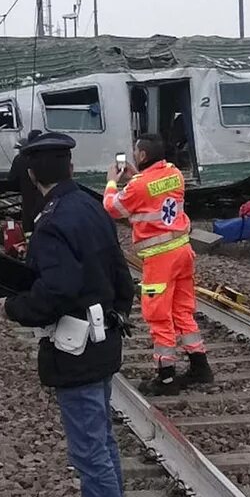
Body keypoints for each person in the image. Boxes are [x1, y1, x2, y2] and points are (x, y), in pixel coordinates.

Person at [0, 132, 132, 497]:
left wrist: (13, 307)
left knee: (90, 453)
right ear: (68, 167)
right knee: (102, 444)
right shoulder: (90, 206)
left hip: (76, 348)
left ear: (31, 174)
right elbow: (118, 271)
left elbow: (58, 289)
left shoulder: (49, 223)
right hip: (103, 337)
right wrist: (120, 311)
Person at [104, 134, 213, 394]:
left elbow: (112, 208)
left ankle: (166, 376)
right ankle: (200, 366)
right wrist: (134, 179)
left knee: (158, 314)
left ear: (142, 156)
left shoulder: (138, 185)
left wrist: (112, 181)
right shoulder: (174, 173)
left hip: (159, 258)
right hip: (183, 252)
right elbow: (152, 193)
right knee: (183, 310)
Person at [8, 129, 46, 236]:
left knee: (28, 219)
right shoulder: (42, 158)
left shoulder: (19, 159)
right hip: (43, 195)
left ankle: (29, 243)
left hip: (27, 195)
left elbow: (11, 178)